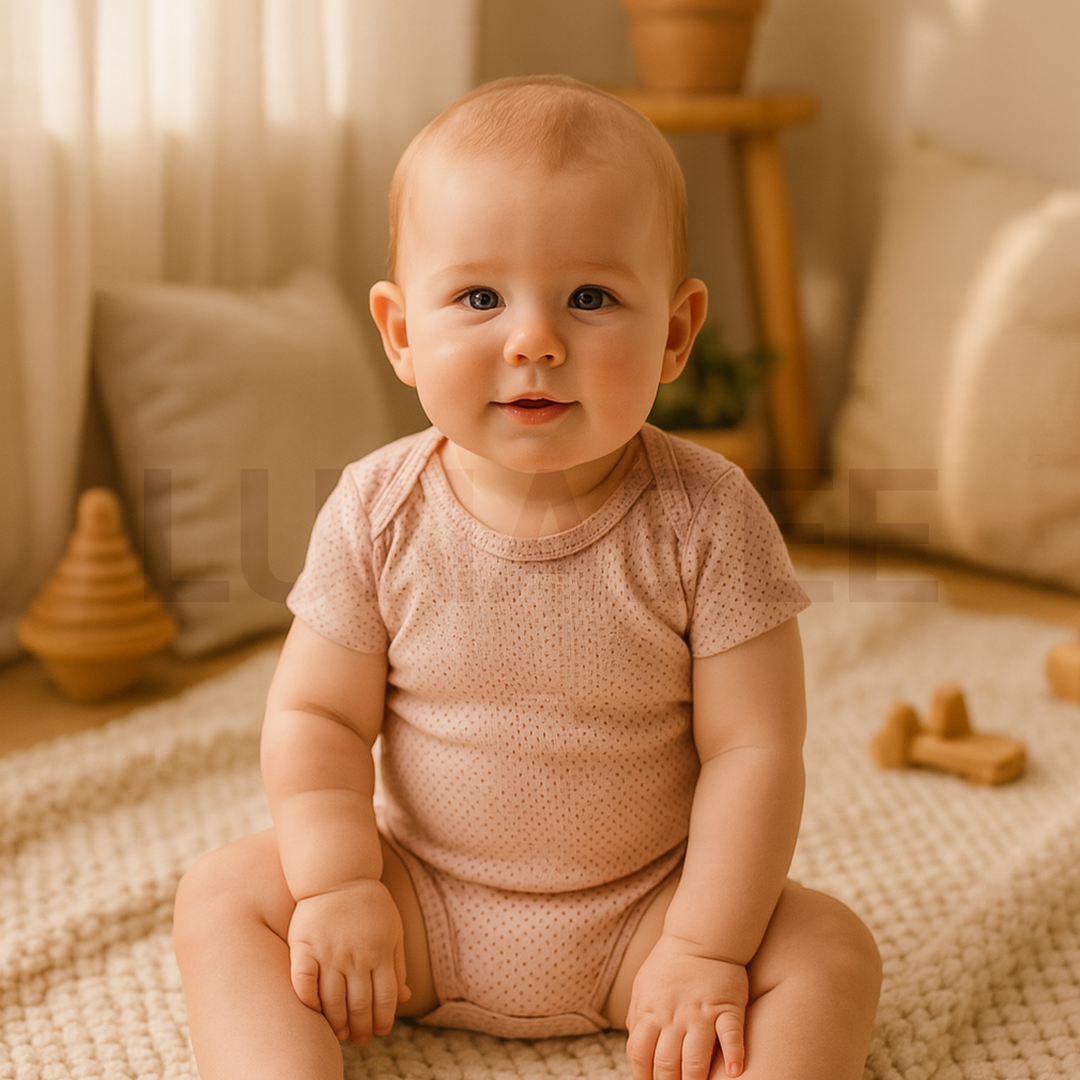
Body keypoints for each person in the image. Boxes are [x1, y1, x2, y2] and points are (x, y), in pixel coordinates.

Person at [173, 74, 881, 1080]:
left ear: (675, 333)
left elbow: (755, 752)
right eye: (478, 297)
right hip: (415, 901)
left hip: (647, 918)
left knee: (830, 952)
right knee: (221, 897)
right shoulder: (378, 510)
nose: (535, 338)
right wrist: (337, 887)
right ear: (402, 333)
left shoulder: (711, 518)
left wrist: (704, 948)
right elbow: (318, 720)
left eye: (591, 297)